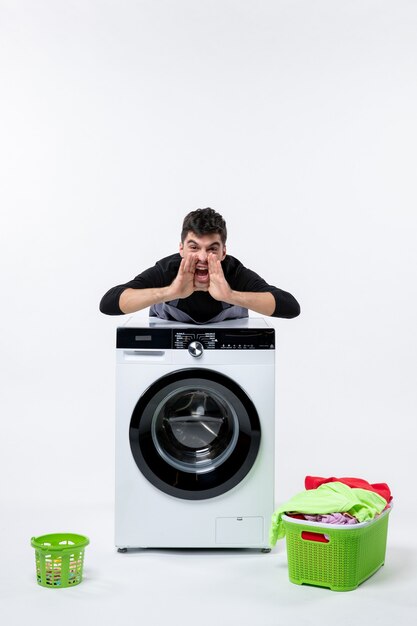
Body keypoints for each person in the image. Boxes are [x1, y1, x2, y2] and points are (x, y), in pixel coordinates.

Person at [99, 208, 300, 324]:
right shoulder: (168, 269)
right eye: (194, 247)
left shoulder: (233, 272)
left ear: (223, 252)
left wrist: (230, 295)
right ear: (181, 249)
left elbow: (291, 307)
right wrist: (170, 292)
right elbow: (108, 303)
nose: (203, 258)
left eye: (212, 249)